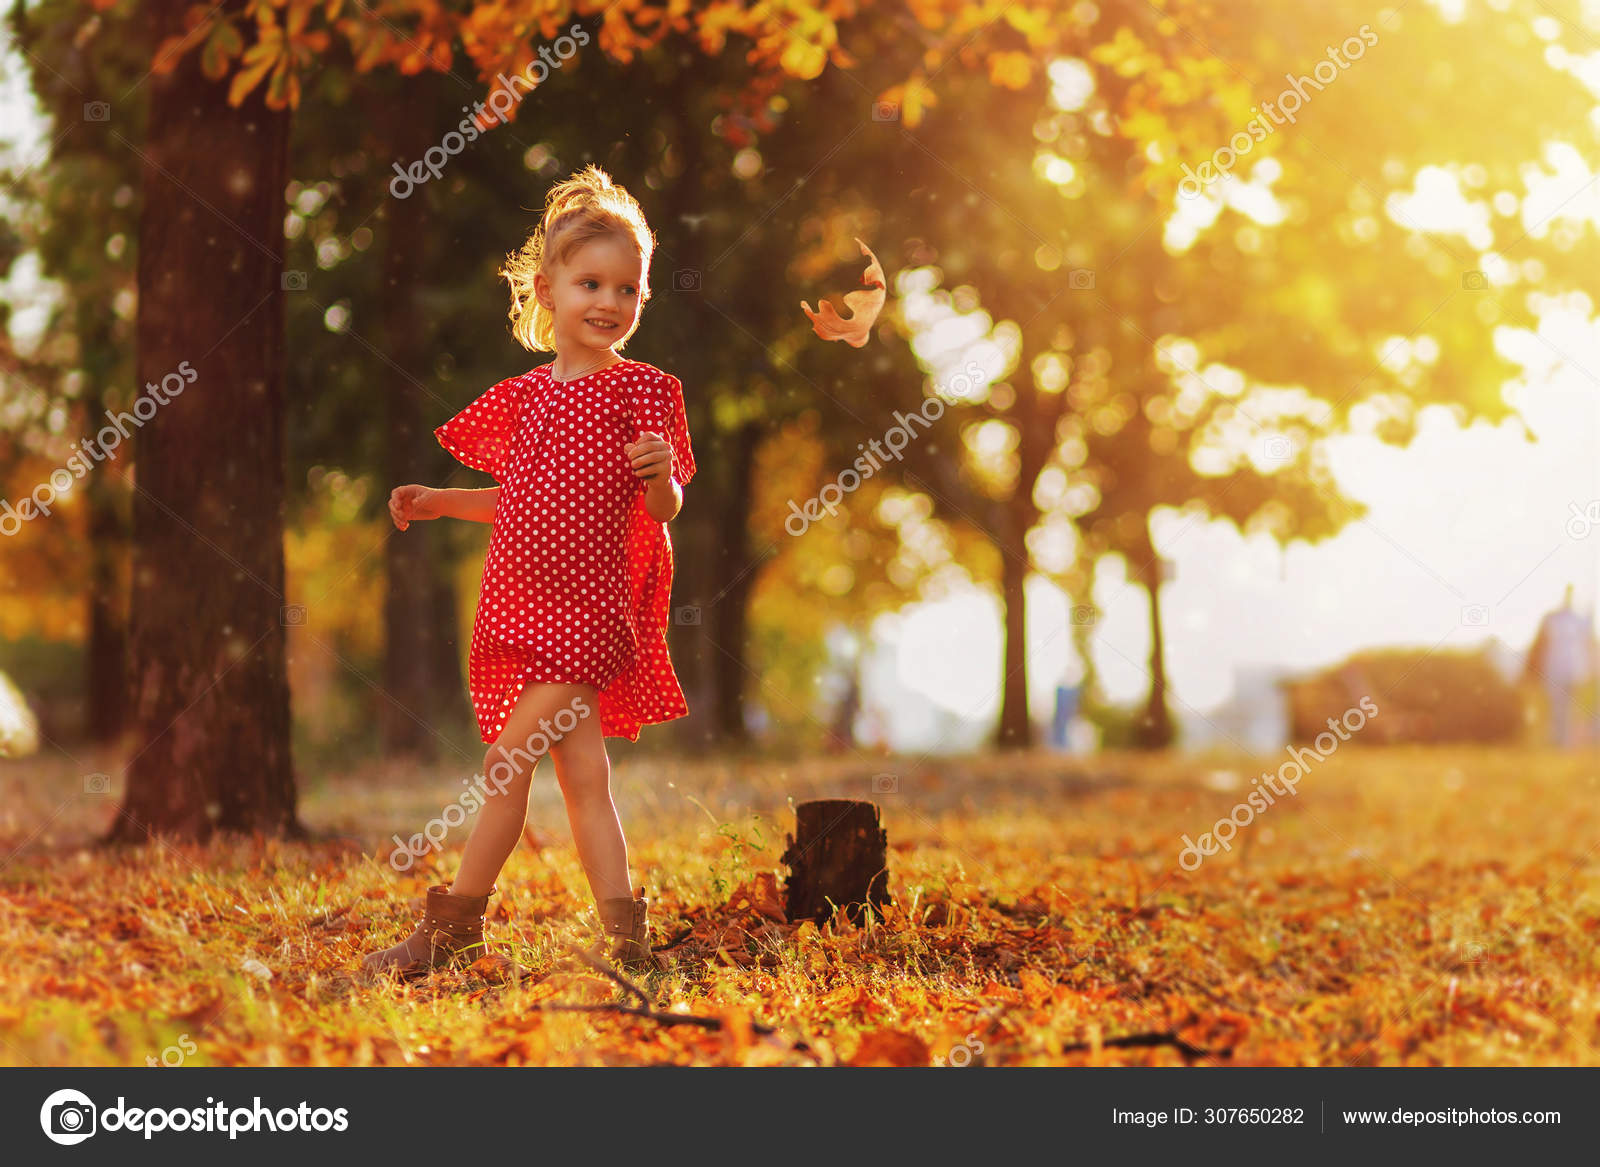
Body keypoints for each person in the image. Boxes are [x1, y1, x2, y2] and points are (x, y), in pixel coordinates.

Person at [361, 165, 696, 981]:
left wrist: (660, 476)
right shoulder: (526, 399)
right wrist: (442, 500)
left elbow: (664, 511)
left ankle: (452, 928)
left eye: (629, 288)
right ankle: (628, 943)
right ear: (548, 289)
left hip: (590, 615)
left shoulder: (643, 392)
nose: (609, 302)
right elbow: (519, 502)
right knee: (585, 780)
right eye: (591, 283)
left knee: (506, 764)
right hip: (524, 608)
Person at [1524, 585, 1600, 748]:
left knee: (1568, 708)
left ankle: (1564, 743)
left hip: (1573, 669)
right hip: (1554, 669)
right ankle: (1556, 741)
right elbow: (1542, 644)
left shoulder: (1579, 619)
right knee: (1556, 707)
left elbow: (1589, 639)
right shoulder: (1551, 618)